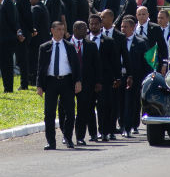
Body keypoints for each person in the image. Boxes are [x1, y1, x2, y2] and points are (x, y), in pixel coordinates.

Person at [37, 21, 82, 149]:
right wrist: (39, 85)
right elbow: (40, 68)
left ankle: (68, 138)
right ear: (52, 30)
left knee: (70, 111)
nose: (61, 32)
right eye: (58, 29)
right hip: (51, 82)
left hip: (66, 81)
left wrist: (78, 81)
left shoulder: (69, 46)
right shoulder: (44, 47)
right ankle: (51, 142)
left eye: (63, 29)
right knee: (49, 113)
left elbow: (76, 66)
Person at [88, 13, 120, 141]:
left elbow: (115, 61)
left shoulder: (109, 41)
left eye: (96, 23)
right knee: (89, 107)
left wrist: (117, 78)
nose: (94, 26)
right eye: (91, 24)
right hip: (89, 80)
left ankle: (104, 131)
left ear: (101, 25)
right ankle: (93, 133)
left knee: (104, 107)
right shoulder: (85, 40)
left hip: (105, 80)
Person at [71, 20, 101, 145]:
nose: (86, 30)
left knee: (83, 111)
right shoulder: (68, 44)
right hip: (69, 83)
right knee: (66, 110)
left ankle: (80, 136)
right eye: (82, 28)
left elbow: (97, 65)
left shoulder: (91, 45)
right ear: (75, 30)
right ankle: (66, 135)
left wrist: (98, 82)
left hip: (86, 83)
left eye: (85, 28)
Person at [119, 14, 148, 136]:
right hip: (120, 75)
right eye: (121, 27)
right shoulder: (117, 40)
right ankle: (122, 125)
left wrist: (144, 78)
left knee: (131, 102)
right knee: (120, 102)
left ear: (132, 28)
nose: (123, 29)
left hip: (135, 76)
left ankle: (129, 126)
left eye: (125, 27)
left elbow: (145, 62)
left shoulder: (141, 42)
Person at [27, 0, 50, 89]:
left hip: (37, 40)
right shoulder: (43, 6)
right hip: (44, 38)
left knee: (34, 61)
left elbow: (33, 25)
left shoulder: (36, 8)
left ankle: (33, 81)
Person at [0, 0, 19, 92]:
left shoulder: (8, 3)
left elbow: (12, 21)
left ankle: (8, 87)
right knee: (4, 64)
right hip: (4, 37)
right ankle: (7, 86)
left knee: (7, 64)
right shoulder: (4, 2)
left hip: (7, 38)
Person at [133, 5, 168, 71]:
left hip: (151, 62)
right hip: (137, 62)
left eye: (143, 14)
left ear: (148, 15)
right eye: (139, 14)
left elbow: (163, 47)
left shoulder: (155, 28)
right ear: (136, 16)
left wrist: (164, 64)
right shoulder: (133, 28)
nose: (141, 16)